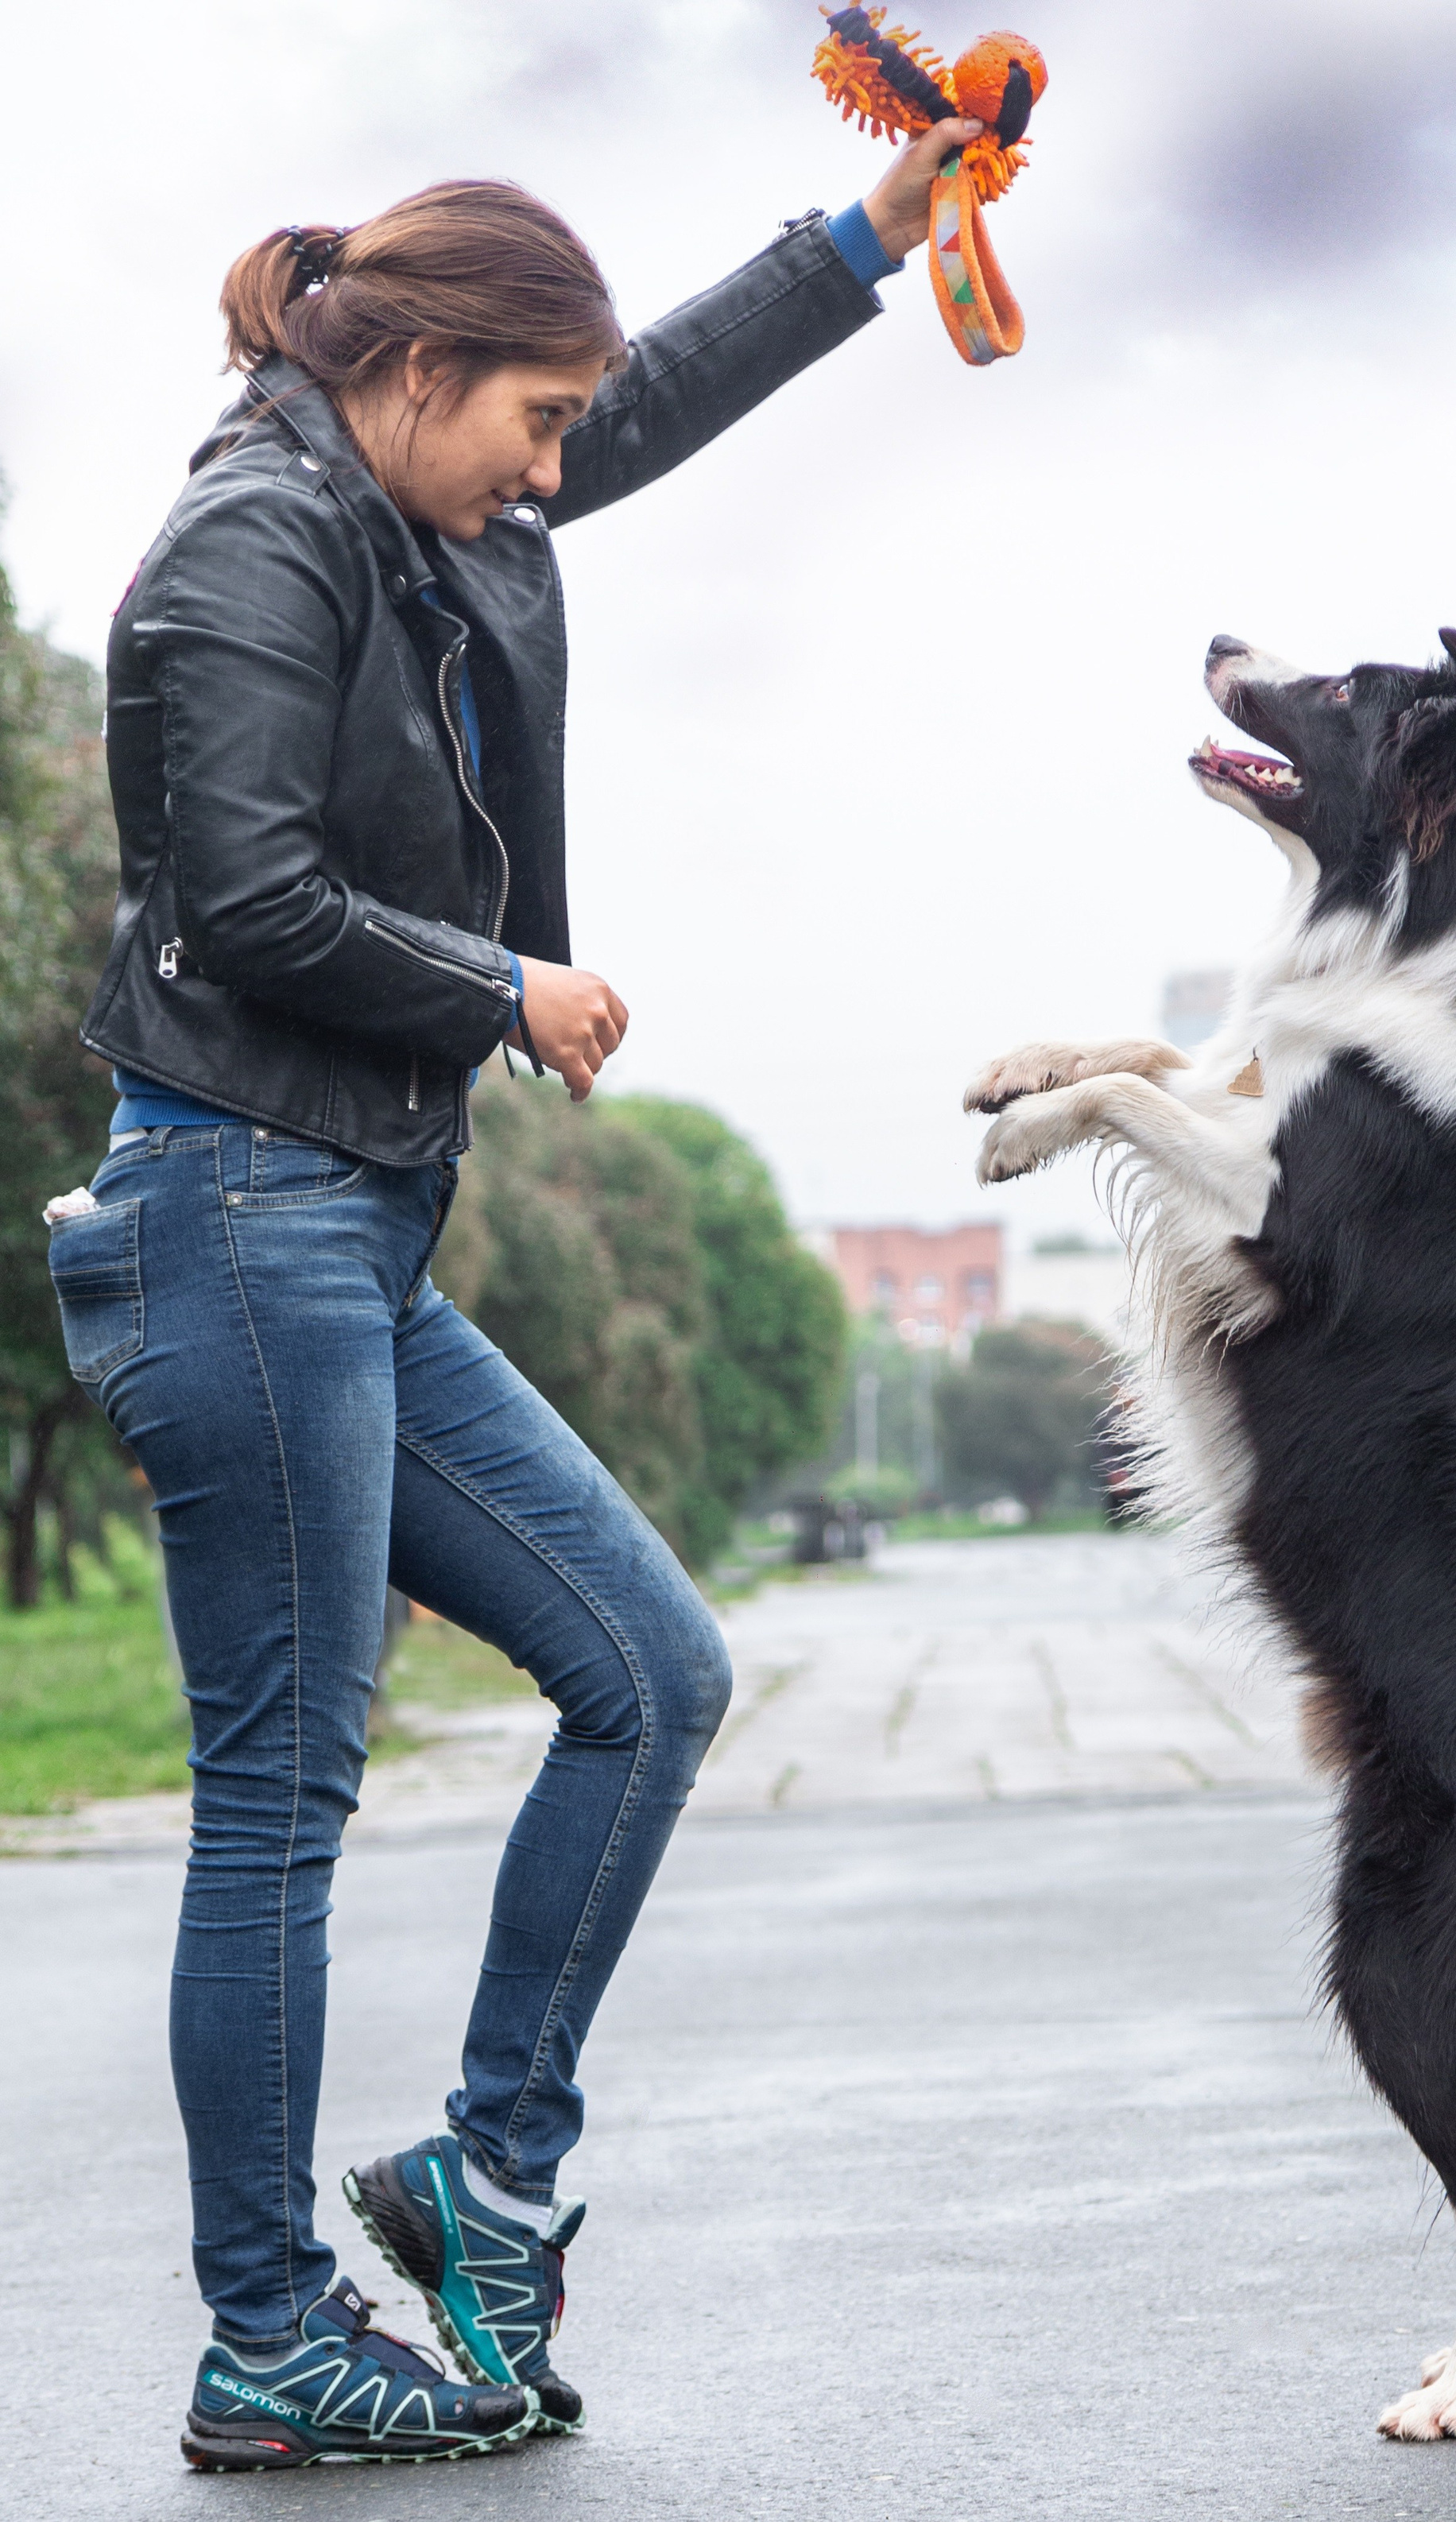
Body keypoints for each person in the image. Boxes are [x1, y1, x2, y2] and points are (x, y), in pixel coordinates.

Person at [45, 128, 982, 2473]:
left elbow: (640, 391)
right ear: (421, 372)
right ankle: (263, 2332)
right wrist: (500, 986)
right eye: (534, 424)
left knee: (653, 1672)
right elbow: (243, 898)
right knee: (280, 1797)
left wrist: (877, 226)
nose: (564, 464)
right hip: (233, 1217)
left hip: (343, 1227)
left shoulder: (424, 499)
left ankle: (486, 2179)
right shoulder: (253, 546)